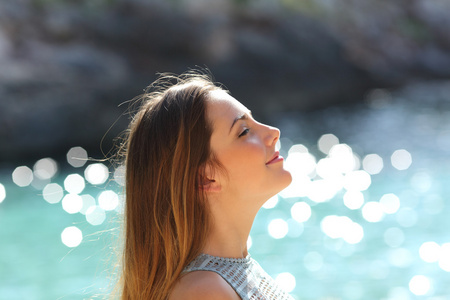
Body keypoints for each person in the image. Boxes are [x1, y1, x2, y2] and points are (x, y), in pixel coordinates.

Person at [117, 70, 294, 300]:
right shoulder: (204, 292)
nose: (273, 132)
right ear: (206, 178)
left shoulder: (232, 273)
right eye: (244, 131)